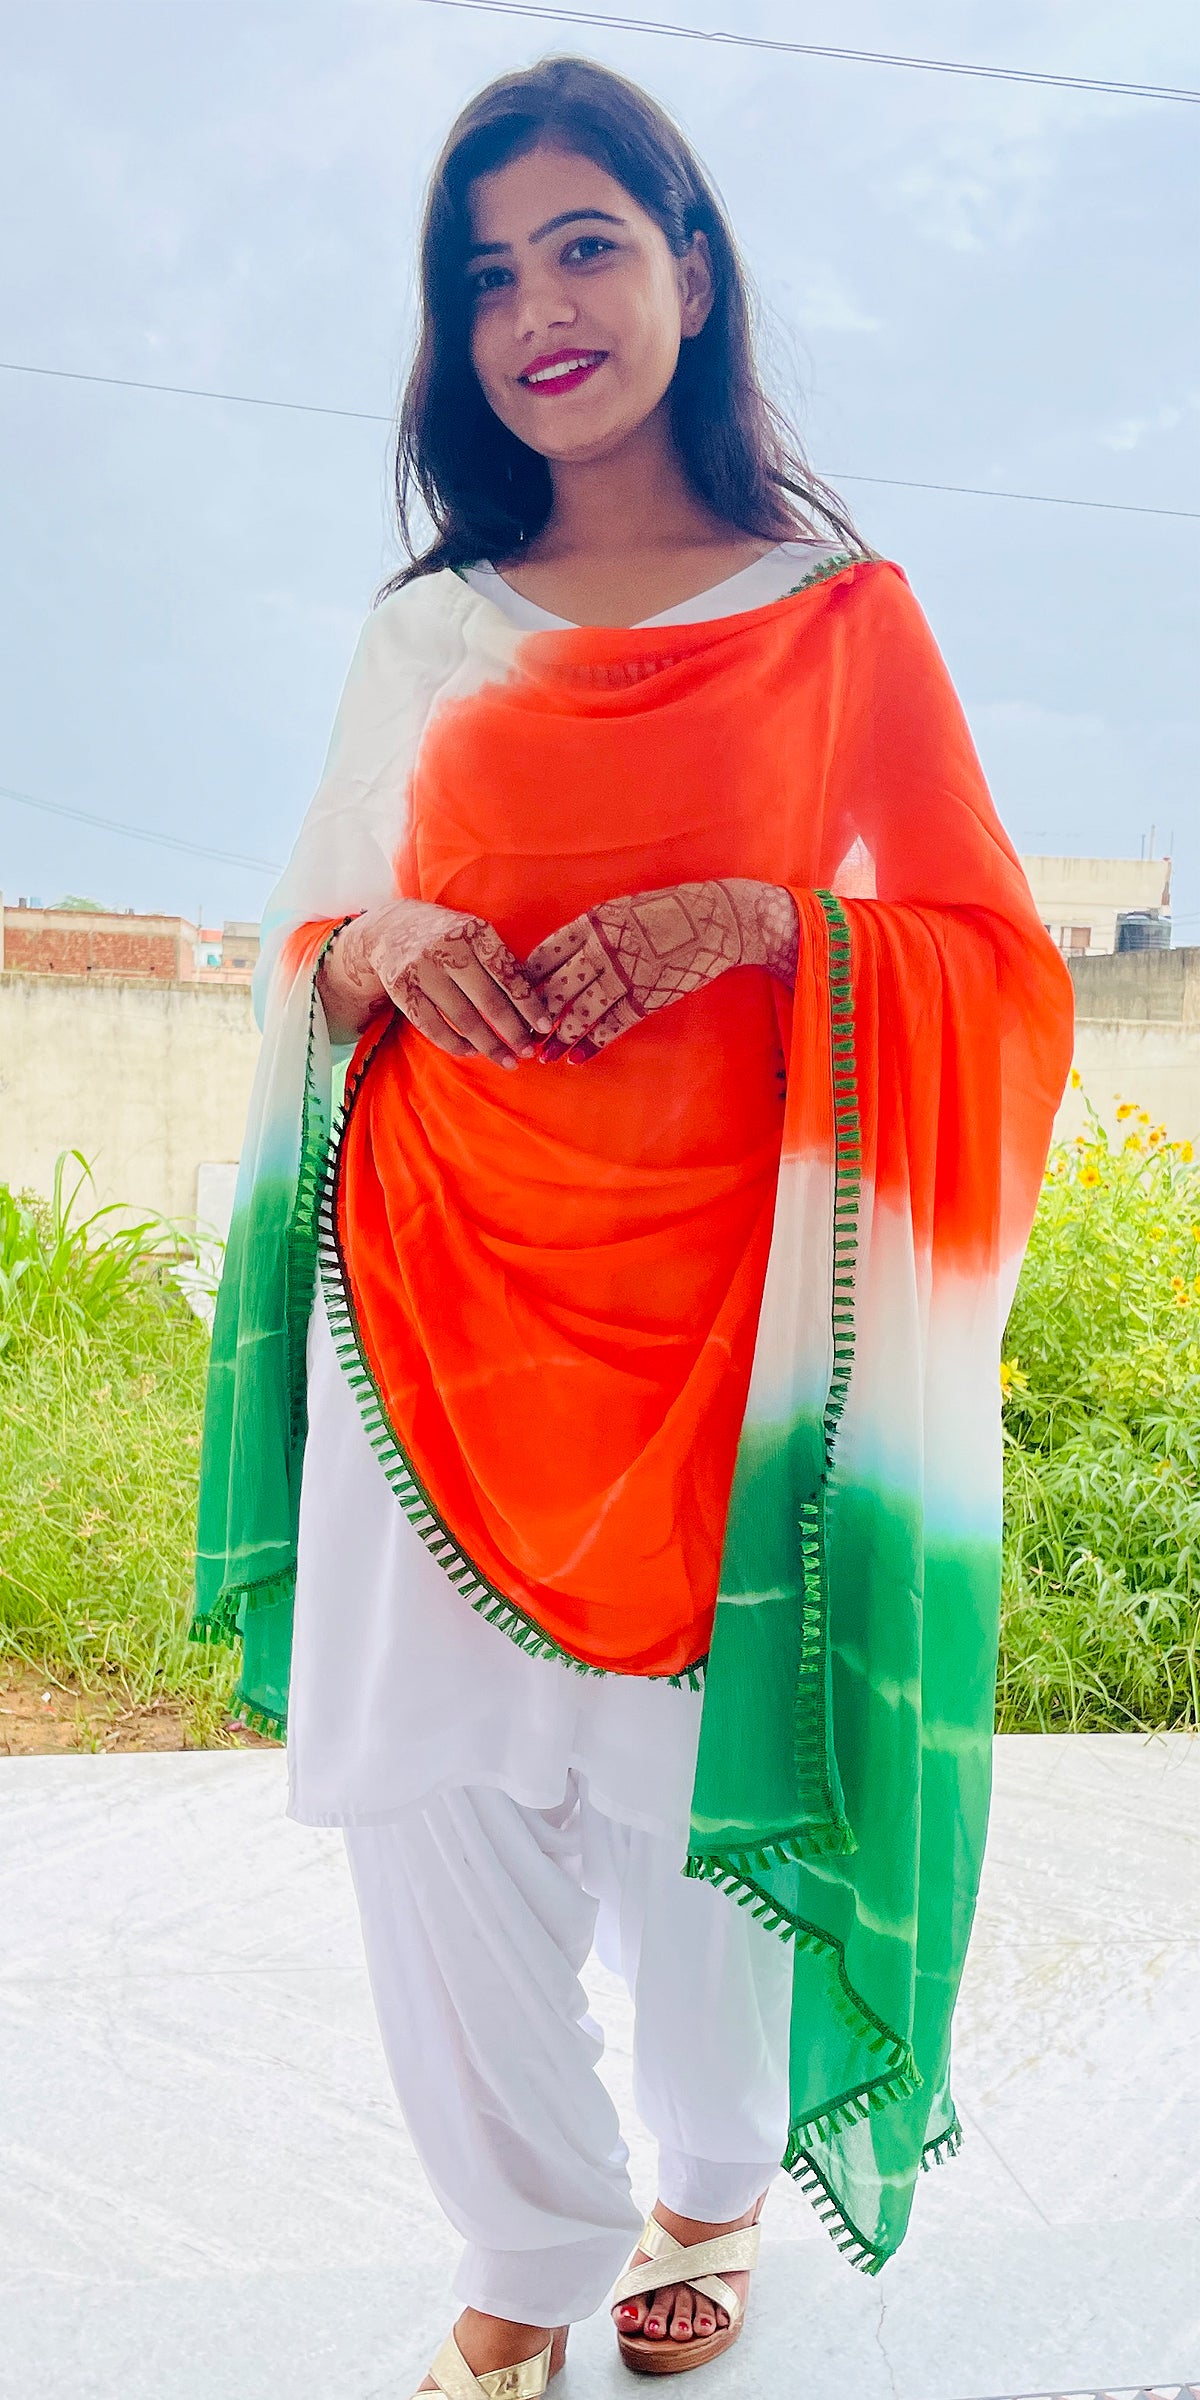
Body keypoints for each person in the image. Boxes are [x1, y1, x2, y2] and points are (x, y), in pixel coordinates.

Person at [192, 55, 1074, 2400]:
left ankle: (701, 2183)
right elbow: (309, 929)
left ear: (690, 264)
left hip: (727, 1318)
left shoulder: (841, 619)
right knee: (435, 1796)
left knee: (701, 1797)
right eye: (485, 276)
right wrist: (369, 957)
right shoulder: (435, 627)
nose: (537, 310)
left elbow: (994, 959)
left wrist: (772, 925)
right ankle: (521, 2234)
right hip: (432, 1285)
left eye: (585, 244)